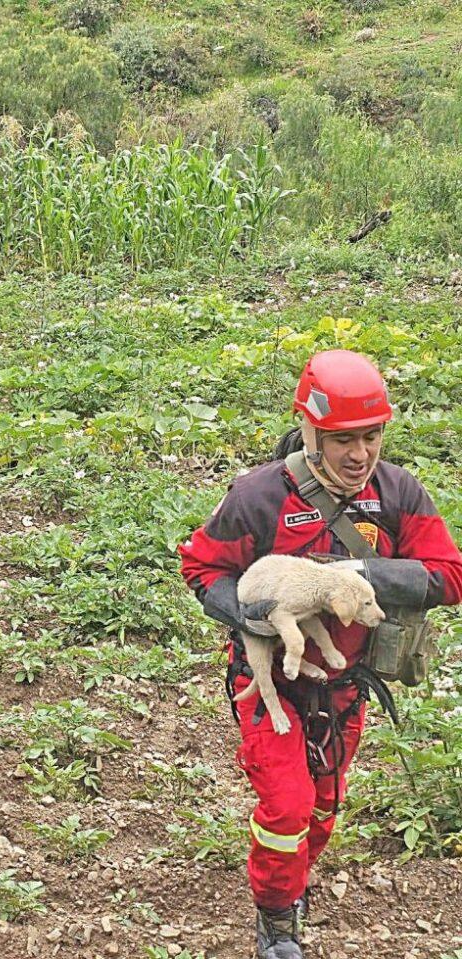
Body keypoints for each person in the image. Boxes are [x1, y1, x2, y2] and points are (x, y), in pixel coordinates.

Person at [179, 349, 462, 958]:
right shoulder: (258, 495)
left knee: (324, 808)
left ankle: (295, 880)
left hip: (346, 684)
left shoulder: (397, 494)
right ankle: (277, 921)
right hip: (270, 683)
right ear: (310, 431)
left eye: (372, 435)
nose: (360, 454)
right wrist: (249, 613)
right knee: (287, 807)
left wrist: (364, 573)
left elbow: (450, 575)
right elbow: (202, 566)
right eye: (342, 439)